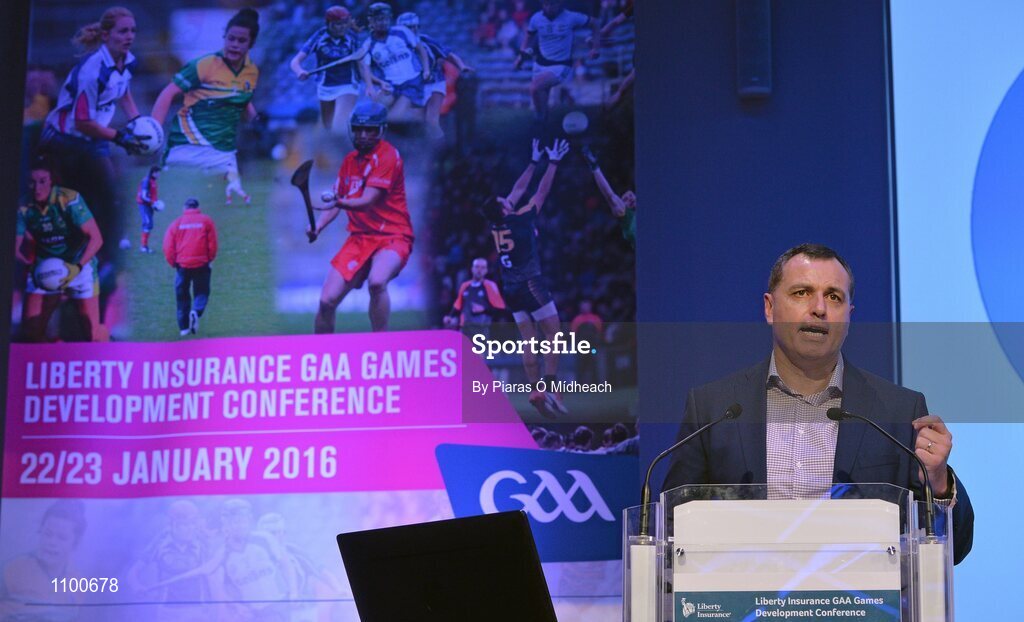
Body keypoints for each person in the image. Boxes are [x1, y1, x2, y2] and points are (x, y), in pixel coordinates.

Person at [662, 244, 975, 564]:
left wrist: (938, 484)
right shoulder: (715, 408)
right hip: (744, 607)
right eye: (801, 293)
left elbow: (953, 550)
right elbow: (672, 530)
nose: (819, 309)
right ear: (769, 308)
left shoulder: (898, 411)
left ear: (849, 316)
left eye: (834, 297)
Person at [39, 6, 144, 326]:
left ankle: (103, 266)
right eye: (123, 31)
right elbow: (82, 122)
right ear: (106, 34)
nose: (129, 37)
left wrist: (138, 123)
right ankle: (78, 277)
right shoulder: (91, 70)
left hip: (91, 141)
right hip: (66, 141)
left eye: (133, 31)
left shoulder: (124, 62)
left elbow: (122, 92)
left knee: (110, 203)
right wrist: (120, 137)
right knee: (88, 209)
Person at [481, 138, 570, 417]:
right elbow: (539, 194)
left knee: (529, 342)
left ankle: (534, 390)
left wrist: (533, 162)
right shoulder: (520, 220)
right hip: (530, 283)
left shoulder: (498, 222)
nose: (509, 198)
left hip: (510, 287)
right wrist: (552, 163)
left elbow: (518, 189)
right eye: (505, 201)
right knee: (554, 336)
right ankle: (552, 390)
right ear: (505, 209)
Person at [307, 101, 414, 333]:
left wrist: (338, 201)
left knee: (377, 282)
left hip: (392, 236)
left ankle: (380, 344)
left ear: (382, 130)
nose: (363, 135)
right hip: (359, 239)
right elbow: (337, 198)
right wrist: (318, 226)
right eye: (358, 129)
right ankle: (319, 357)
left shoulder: (388, 156)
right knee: (326, 302)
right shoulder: (349, 161)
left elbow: (367, 200)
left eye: (370, 130)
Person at [151, 8, 261, 206]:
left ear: (251, 43)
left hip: (223, 156)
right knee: (177, 212)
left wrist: (257, 121)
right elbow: (167, 94)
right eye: (231, 38)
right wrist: (154, 132)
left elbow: (243, 99)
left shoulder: (251, 72)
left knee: (219, 218)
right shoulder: (203, 65)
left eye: (241, 41)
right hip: (186, 150)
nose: (234, 45)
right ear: (224, 37)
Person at [16, 156, 105, 342]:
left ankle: (108, 344)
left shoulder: (69, 199)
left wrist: (77, 267)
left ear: (52, 181)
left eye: (42, 181)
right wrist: (28, 264)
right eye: (32, 182)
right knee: (30, 333)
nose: (37, 188)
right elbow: (16, 247)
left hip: (79, 267)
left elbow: (96, 239)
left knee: (92, 335)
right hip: (45, 269)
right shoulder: (23, 207)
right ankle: (56, 352)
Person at [0, 500, 87, 619]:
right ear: (40, 531)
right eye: (47, 534)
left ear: (75, 543)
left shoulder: (77, 581)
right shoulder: (12, 569)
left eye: (62, 538)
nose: (52, 542)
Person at [514, 0, 599, 122]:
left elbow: (595, 23)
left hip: (561, 65)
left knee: (534, 88)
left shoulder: (571, 17)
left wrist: (595, 47)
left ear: (559, 4)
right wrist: (520, 57)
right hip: (540, 63)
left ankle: (538, 117)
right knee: (543, 99)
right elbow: (528, 37)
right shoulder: (536, 18)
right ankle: (543, 124)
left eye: (552, 4)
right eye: (545, 4)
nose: (548, 7)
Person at [395, 11, 474, 139]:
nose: (411, 31)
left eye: (413, 27)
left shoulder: (426, 41)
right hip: (413, 86)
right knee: (413, 117)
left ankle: (443, 148)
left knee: (431, 119)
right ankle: (421, 146)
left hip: (434, 82)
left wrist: (461, 66)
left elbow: (447, 54)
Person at [355, 3, 431, 124]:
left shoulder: (402, 32)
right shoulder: (368, 45)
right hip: (391, 84)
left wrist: (426, 69)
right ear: (371, 21)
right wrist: (372, 86)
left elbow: (421, 50)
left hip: (412, 81)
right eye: (379, 19)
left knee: (394, 118)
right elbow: (365, 70)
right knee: (375, 111)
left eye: (385, 18)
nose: (383, 22)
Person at [290, 5, 362, 131]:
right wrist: (299, 71)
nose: (343, 27)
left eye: (345, 23)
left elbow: (362, 62)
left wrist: (371, 84)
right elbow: (295, 61)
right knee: (328, 129)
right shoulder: (319, 37)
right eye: (338, 24)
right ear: (328, 24)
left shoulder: (352, 37)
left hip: (348, 85)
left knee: (338, 127)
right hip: (325, 87)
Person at [162, 198, 218, 337]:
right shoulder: (206, 221)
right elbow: (213, 243)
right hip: (201, 263)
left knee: (182, 296)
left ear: (184, 208)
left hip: (182, 265)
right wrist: (210, 259)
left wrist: (173, 263)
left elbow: (167, 246)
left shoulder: (176, 223)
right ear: (198, 207)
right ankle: (196, 311)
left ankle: (184, 328)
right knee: (202, 292)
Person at [581, 145, 635, 248]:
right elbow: (610, 196)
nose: (630, 198)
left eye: (631, 196)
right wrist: (595, 168)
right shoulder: (628, 217)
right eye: (626, 199)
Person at [444, 257, 506, 339]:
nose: (479, 270)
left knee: (480, 351)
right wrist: (450, 316)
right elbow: (458, 305)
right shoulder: (465, 285)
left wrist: (484, 309)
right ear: (472, 269)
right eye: (477, 267)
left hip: (482, 330)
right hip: (465, 329)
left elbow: (500, 309)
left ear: (486, 270)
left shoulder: (490, 285)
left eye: (482, 267)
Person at [136, 165, 161, 253]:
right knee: (147, 223)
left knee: (149, 224)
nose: (159, 175)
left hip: (149, 205)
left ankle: (144, 246)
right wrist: (153, 203)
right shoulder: (147, 181)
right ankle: (143, 247)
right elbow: (143, 196)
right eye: (158, 173)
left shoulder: (153, 181)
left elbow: (153, 194)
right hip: (144, 205)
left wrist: (156, 203)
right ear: (153, 173)